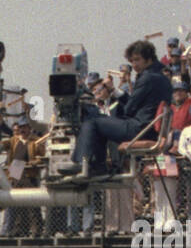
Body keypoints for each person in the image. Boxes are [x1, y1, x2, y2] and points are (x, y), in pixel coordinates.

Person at [65, 40, 171, 177]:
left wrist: (114, 92)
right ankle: (96, 165)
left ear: (149, 58)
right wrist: (114, 91)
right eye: (132, 61)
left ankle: (82, 164)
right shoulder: (162, 78)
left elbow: (129, 109)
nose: (134, 65)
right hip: (149, 130)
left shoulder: (148, 78)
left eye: (137, 60)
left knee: (92, 122)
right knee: (101, 121)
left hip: (139, 129)